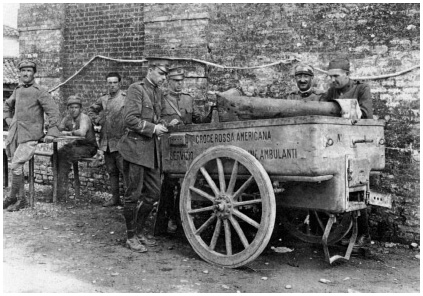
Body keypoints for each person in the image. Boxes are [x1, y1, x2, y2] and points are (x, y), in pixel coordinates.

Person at [117, 58, 170, 253]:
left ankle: (139, 231)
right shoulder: (136, 89)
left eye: (165, 75)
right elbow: (130, 119)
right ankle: (131, 236)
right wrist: (153, 128)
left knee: (154, 193)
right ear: (150, 70)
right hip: (134, 149)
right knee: (133, 195)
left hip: (151, 151)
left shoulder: (157, 91)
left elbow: (161, 114)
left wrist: (165, 122)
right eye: (161, 73)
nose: (164, 78)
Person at [320, 57, 373, 247]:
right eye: (330, 76)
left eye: (336, 76)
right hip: (336, 145)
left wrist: (345, 109)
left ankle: (364, 235)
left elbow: (367, 114)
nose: (333, 80)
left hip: (356, 145)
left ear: (347, 75)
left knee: (356, 190)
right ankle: (342, 234)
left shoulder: (361, 89)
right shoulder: (331, 91)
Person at [158, 66, 215, 234]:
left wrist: (211, 110)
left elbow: (198, 120)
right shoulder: (161, 99)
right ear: (168, 82)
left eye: (181, 81)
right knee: (168, 185)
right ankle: (166, 220)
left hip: (187, 148)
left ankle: (180, 219)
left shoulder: (188, 99)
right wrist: (167, 124)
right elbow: (155, 120)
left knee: (185, 185)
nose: (179, 84)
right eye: (175, 81)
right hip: (169, 148)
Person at [3, 60, 61, 212]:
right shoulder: (18, 90)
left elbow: (53, 112)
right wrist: (9, 120)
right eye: (23, 71)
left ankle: (14, 197)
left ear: (34, 73)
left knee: (16, 165)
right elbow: (7, 105)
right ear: (20, 73)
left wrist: (51, 132)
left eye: (29, 70)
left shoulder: (40, 91)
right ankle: (19, 199)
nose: (26, 73)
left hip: (30, 135)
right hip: (16, 133)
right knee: (17, 166)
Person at [88, 72, 126, 207]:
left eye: (115, 83)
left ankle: (129, 202)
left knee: (125, 172)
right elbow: (91, 110)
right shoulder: (103, 99)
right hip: (107, 142)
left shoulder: (125, 98)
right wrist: (97, 119)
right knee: (112, 172)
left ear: (119, 83)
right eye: (109, 83)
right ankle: (115, 199)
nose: (112, 85)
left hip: (122, 142)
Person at [57, 95, 98, 199]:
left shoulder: (84, 118)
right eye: (71, 107)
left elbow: (82, 132)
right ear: (68, 109)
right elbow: (59, 128)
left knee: (66, 156)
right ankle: (61, 186)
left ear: (80, 109)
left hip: (89, 147)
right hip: (77, 145)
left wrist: (68, 132)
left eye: (76, 107)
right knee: (57, 154)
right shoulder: (68, 118)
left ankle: (62, 191)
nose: (73, 110)